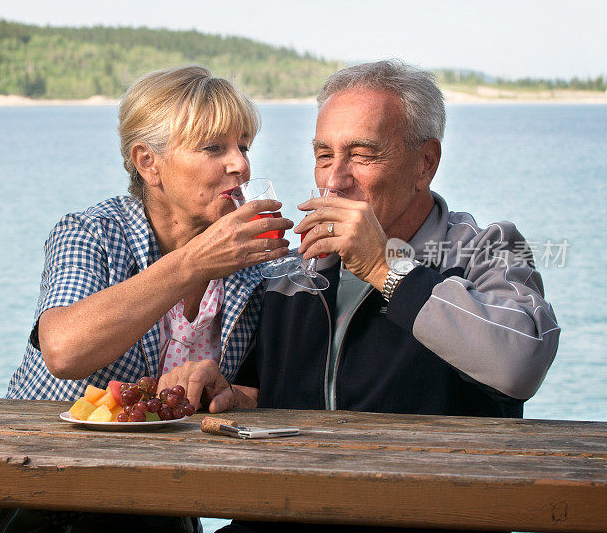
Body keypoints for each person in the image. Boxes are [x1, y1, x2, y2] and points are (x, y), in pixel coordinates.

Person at [167, 60, 561, 532]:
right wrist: (233, 394)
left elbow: (520, 365)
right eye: (324, 155)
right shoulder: (295, 270)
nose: (334, 181)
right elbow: (283, 399)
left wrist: (384, 268)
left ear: (425, 163)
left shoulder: (487, 248)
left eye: (363, 155)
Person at [0, 65, 292, 533]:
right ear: (148, 162)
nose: (240, 164)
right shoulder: (91, 233)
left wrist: (232, 393)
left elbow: (277, 390)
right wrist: (193, 262)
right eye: (213, 148)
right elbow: (63, 350)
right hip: (29, 495)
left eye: (243, 145)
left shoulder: (255, 261)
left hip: (156, 508)